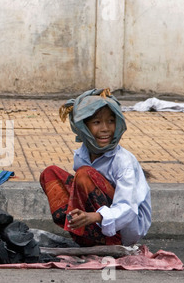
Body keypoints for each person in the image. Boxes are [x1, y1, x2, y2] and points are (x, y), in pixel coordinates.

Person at [40, 88, 151, 246]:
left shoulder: (123, 160)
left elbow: (127, 208)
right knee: (50, 173)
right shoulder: (82, 155)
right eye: (97, 122)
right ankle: (82, 233)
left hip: (125, 229)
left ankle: (107, 240)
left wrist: (95, 217)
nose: (105, 128)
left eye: (111, 121)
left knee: (84, 174)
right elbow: (82, 193)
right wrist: (84, 214)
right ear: (83, 127)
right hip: (94, 221)